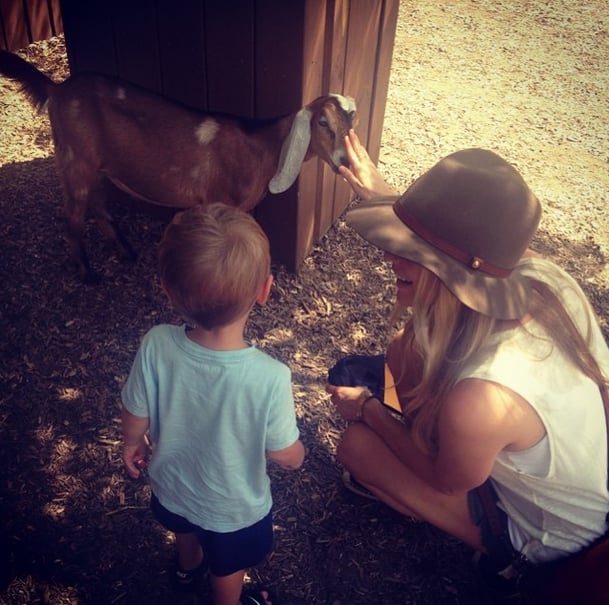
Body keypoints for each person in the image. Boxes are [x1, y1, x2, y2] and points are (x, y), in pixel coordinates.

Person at [326, 131, 609, 595]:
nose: (386, 256)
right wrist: (384, 197)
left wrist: (368, 410)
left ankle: (500, 557)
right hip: (585, 478)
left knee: (358, 446)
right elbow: (480, 243)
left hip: (550, 542)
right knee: (405, 349)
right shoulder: (546, 278)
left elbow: (444, 477)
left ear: (454, 274)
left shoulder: (481, 398)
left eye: (410, 252)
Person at [121, 202, 305, 605]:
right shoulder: (268, 377)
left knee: (185, 530)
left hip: (172, 486)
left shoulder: (156, 343)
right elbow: (284, 454)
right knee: (228, 568)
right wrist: (297, 455)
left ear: (168, 290)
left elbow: (136, 410)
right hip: (233, 510)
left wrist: (131, 442)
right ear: (265, 290)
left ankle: (187, 570)